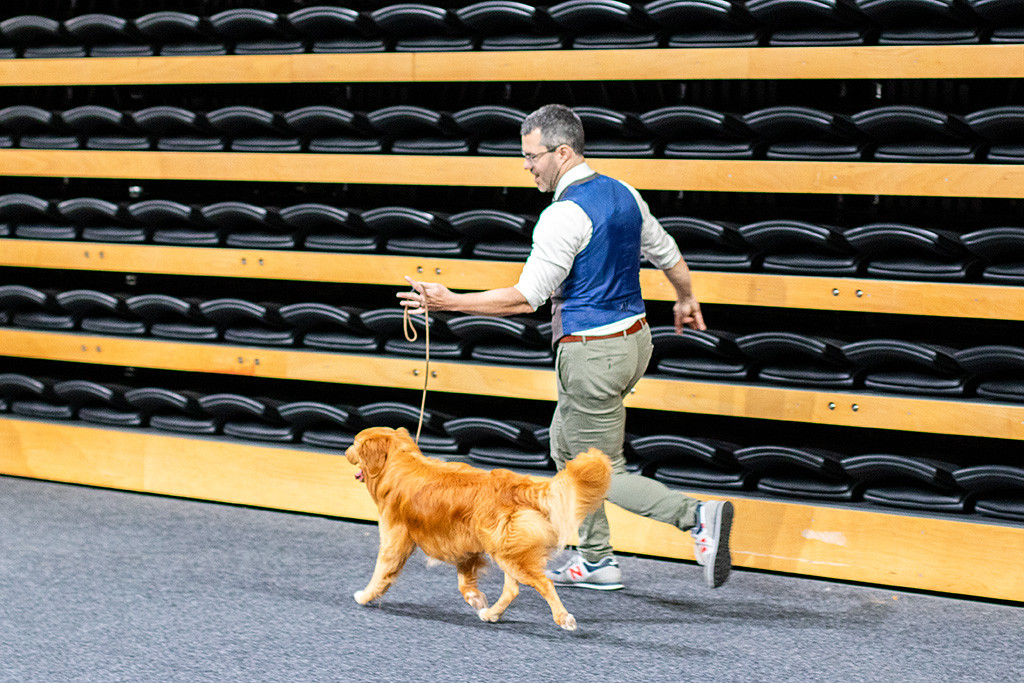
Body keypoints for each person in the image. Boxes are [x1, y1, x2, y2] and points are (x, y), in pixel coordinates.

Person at [398, 104, 734, 590]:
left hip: (592, 354)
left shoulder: (563, 215)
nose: (527, 166)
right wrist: (685, 298)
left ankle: (696, 517)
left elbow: (523, 299)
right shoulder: (625, 193)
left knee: (601, 470)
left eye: (532, 157)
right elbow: (669, 254)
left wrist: (448, 302)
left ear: (562, 152)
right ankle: (596, 561)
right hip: (634, 343)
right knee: (566, 448)